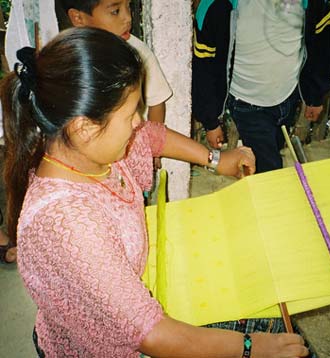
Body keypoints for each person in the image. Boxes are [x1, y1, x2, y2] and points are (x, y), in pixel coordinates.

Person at [1, 27, 309, 357]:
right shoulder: (67, 223)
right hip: (104, 348)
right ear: (84, 126)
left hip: (134, 306)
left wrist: (216, 159)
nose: (138, 122)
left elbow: (151, 136)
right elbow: (152, 334)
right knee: (278, 335)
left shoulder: (87, 150)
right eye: (132, 112)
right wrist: (249, 348)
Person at [192, 0, 330, 172]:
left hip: (288, 96)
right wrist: (210, 122)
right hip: (247, 103)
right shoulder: (216, 6)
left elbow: (322, 46)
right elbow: (203, 68)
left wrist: (315, 97)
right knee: (269, 169)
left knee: (273, 149)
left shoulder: (311, 4)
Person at [60, 0, 172, 169]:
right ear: (78, 18)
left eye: (129, 6)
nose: (128, 18)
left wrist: (153, 149)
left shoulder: (138, 53)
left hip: (130, 151)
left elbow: (156, 102)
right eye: (115, 11)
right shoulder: (69, 58)